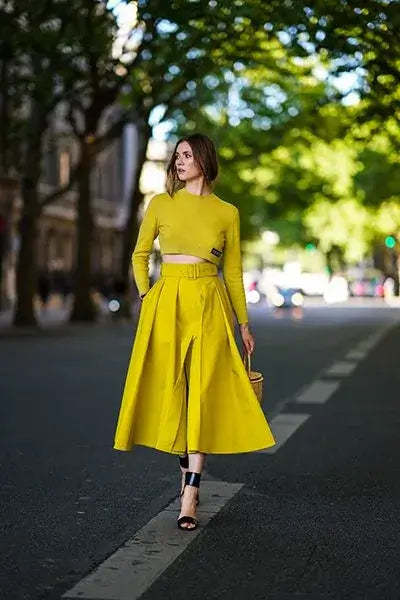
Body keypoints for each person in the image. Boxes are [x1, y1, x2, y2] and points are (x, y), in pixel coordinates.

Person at [113, 133, 275, 530]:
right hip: (166, 301)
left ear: (204, 159)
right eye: (177, 156)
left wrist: (243, 322)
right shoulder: (161, 203)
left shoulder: (227, 213)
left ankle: (191, 490)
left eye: (187, 155)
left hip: (209, 301)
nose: (179, 161)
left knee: (201, 391)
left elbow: (232, 273)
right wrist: (146, 295)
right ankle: (186, 476)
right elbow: (138, 254)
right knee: (174, 390)